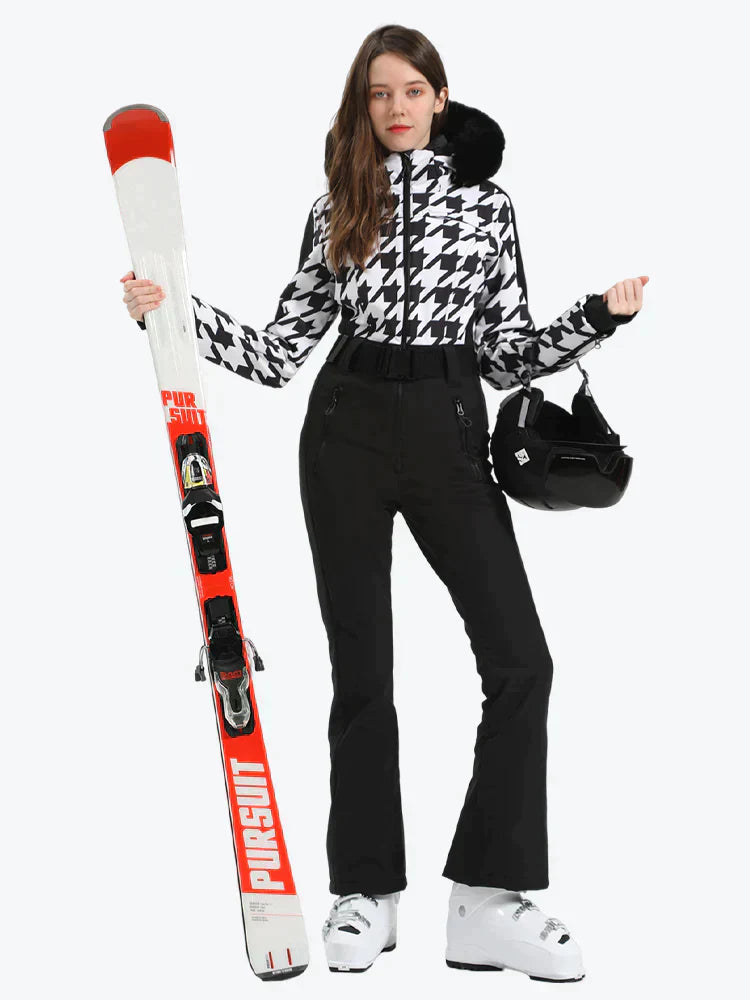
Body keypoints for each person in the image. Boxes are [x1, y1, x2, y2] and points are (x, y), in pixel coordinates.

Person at [120, 24, 646, 982]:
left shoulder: (488, 208)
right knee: (362, 675)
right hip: (346, 435)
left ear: (440, 97)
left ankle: (487, 900)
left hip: (450, 432)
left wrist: (595, 319)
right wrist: (174, 310)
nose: (396, 108)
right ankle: (365, 895)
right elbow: (281, 353)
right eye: (378, 94)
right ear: (362, 107)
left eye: (411, 90)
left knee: (521, 662)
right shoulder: (339, 205)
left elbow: (504, 357)